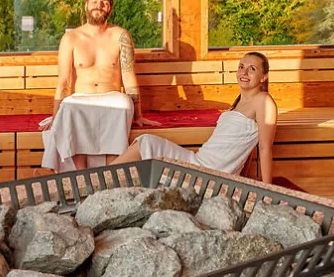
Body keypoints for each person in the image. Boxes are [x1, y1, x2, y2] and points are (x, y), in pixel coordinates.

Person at [40, 0, 160, 172]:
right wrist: (56, 116)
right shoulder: (71, 38)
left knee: (122, 104)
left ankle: (111, 171)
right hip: (81, 97)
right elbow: (63, 80)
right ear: (86, 5)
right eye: (94, 1)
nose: (99, 5)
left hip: (112, 96)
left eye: (104, 2)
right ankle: (80, 173)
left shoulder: (121, 36)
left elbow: (128, 76)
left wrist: (138, 115)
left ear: (109, 8)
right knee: (69, 107)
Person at [110, 52, 278, 184]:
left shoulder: (263, 101)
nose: (244, 72)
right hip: (198, 161)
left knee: (146, 142)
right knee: (145, 143)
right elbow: (242, 148)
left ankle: (97, 180)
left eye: (252, 69)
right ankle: (102, 181)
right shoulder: (239, 102)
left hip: (209, 172)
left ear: (263, 77)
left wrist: (267, 189)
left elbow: (265, 148)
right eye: (241, 67)